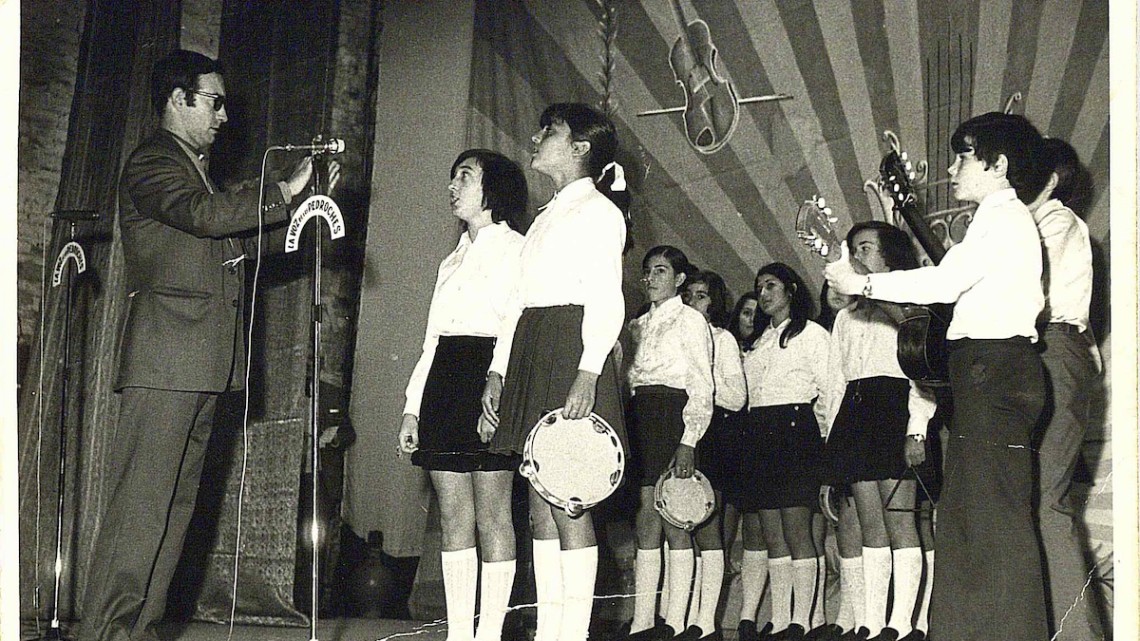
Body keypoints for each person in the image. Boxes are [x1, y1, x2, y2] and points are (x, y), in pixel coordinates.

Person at [80, 49, 339, 641]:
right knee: (140, 511)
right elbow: (203, 216)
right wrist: (279, 190)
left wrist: (301, 211)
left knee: (174, 513)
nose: (224, 116)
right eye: (214, 102)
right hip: (166, 360)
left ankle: (139, 633)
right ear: (179, 100)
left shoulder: (196, 171)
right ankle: (102, 634)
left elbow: (234, 246)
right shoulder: (153, 162)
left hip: (201, 362)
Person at [825, 112, 1051, 641]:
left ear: (999, 165)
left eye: (964, 155)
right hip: (989, 371)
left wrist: (863, 283)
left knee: (990, 521)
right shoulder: (998, 221)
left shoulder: (1004, 218)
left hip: (993, 371)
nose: (952, 167)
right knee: (976, 519)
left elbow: (945, 283)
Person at [481, 103, 630, 641]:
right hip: (531, 347)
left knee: (569, 495)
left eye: (552, 131)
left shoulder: (600, 212)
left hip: (571, 348)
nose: (538, 136)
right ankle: (550, 630)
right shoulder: (544, 218)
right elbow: (516, 304)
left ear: (580, 149)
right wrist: (498, 370)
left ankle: (571, 634)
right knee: (539, 503)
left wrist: (588, 372)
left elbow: (607, 302)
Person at [397, 149, 528, 641]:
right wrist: (413, 408)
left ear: (492, 188)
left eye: (465, 177)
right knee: (453, 516)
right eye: (452, 176)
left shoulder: (517, 248)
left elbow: (515, 324)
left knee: (493, 512)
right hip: (444, 382)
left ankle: (489, 633)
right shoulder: (450, 260)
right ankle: (459, 633)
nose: (452, 185)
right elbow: (431, 341)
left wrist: (497, 384)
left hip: (490, 376)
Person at [821, 222, 938, 641]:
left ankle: (904, 626)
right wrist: (830, 439)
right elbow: (835, 381)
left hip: (894, 412)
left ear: (889, 256)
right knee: (870, 527)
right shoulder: (845, 318)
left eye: (865, 248)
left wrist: (918, 429)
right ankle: (871, 623)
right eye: (852, 249)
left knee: (900, 522)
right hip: (855, 416)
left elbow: (921, 374)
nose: (856, 256)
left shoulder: (905, 305)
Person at [1025, 137, 1104, 641]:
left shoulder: (1057, 224)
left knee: (1044, 503)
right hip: (1038, 356)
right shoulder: (1026, 227)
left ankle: (1079, 635)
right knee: (1030, 503)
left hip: (1053, 350)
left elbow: (1028, 295)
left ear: (1050, 179)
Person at [738, 263, 834, 641]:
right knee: (772, 534)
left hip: (796, 432)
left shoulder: (812, 334)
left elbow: (829, 390)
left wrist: (824, 442)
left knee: (797, 531)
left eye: (771, 286)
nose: (763, 294)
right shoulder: (761, 341)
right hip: (761, 434)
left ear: (791, 290)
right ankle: (780, 622)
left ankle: (804, 621)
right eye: (759, 287)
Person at [625, 247, 714, 641]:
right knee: (646, 518)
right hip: (640, 415)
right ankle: (644, 621)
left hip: (672, 415)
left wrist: (688, 440)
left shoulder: (691, 321)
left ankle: (676, 623)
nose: (651, 278)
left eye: (661, 270)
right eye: (647, 271)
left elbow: (701, 386)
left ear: (679, 279)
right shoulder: (636, 326)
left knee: (674, 517)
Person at [680, 270, 747, 641]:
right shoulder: (677, 333)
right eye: (689, 294)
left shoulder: (722, 340)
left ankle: (706, 623)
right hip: (680, 432)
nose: (694, 302)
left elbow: (736, 398)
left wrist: (702, 386)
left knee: (706, 528)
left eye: (702, 295)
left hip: (713, 436)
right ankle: (681, 617)